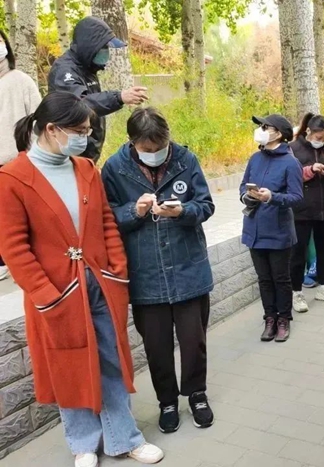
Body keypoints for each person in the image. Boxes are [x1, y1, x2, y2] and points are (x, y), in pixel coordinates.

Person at [0, 92, 163, 467]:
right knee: (69, 367)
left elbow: (106, 221)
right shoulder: (12, 179)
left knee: (112, 360)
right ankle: (84, 443)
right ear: (52, 129)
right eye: (79, 131)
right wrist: (46, 294)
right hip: (56, 293)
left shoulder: (86, 169)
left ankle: (125, 439)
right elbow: (13, 247)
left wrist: (116, 269)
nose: (86, 138)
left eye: (88, 130)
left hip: (101, 282)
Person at [101, 107, 216, 434]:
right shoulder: (114, 168)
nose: (154, 153)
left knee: (194, 341)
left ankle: (197, 394)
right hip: (146, 275)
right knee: (156, 347)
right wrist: (133, 211)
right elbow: (106, 217)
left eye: (160, 147)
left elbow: (206, 205)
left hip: (188, 269)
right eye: (147, 148)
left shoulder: (185, 160)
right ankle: (167, 401)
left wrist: (183, 211)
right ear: (132, 142)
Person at [48, 16, 149, 162]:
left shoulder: (87, 68)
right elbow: (80, 104)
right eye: (104, 48)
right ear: (90, 46)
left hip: (86, 155)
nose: (107, 52)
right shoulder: (65, 71)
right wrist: (119, 97)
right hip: (69, 154)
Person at [240, 114, 302, 342]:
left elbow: (296, 197)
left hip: (278, 231)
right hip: (254, 229)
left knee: (280, 278)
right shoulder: (255, 158)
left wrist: (272, 197)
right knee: (264, 278)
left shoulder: (290, 163)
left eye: (267, 127)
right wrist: (247, 196)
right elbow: (242, 186)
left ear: (280, 133)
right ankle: (270, 318)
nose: (262, 130)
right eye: (262, 127)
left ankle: (284, 319)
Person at [289, 113, 324, 313]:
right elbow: (291, 176)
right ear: (309, 132)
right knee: (298, 254)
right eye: (319, 137)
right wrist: (311, 169)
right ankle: (296, 292)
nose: (322, 141)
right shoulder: (293, 149)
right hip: (301, 209)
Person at [0, 29, 41, 281]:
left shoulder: (21, 81)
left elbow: (39, 121)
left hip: (19, 162)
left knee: (24, 218)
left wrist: (35, 157)